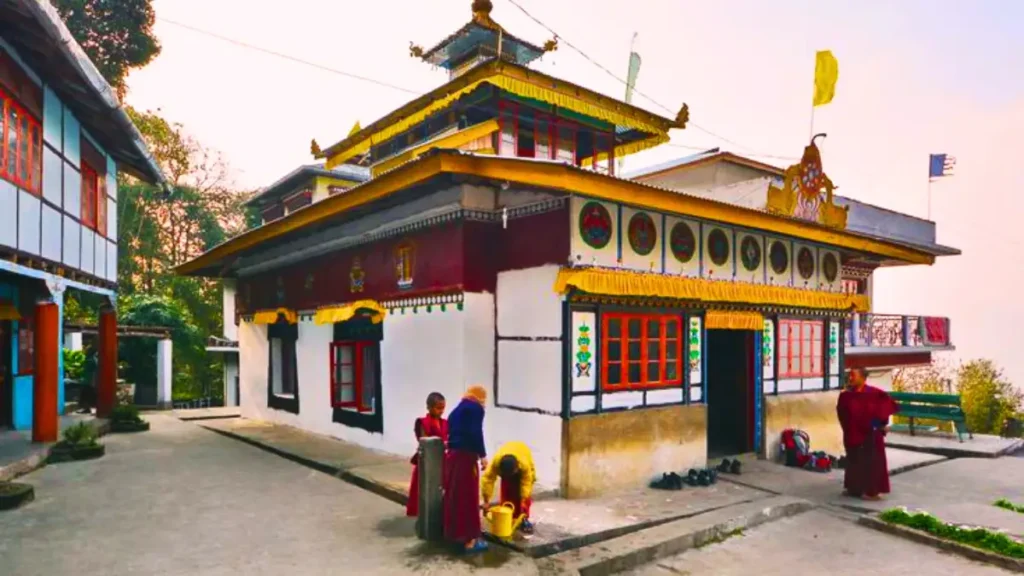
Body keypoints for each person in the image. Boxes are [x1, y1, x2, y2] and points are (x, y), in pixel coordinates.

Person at [837, 367, 900, 500]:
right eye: (850, 376)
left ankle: (873, 491)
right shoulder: (846, 395)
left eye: (853, 375)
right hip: (853, 433)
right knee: (854, 461)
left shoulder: (875, 393)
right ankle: (854, 489)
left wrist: (879, 425)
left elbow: (884, 409)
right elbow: (842, 414)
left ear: (862, 377)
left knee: (872, 462)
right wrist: (849, 428)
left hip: (870, 433)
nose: (850, 378)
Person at [443, 385, 489, 553]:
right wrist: (483, 455)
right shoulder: (475, 408)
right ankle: (470, 540)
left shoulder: (457, 410)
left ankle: (453, 534)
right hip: (466, 458)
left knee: (454, 495)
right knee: (468, 497)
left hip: (453, 457)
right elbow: (476, 432)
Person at [406, 392, 448, 517]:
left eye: (443, 408)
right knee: (422, 487)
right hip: (427, 460)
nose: (441, 411)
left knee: (440, 488)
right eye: (438, 408)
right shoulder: (422, 422)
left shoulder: (445, 423)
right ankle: (419, 512)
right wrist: (441, 444)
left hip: (442, 460)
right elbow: (425, 441)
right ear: (429, 407)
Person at [481, 441, 536, 535]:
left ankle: (524, 519)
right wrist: (486, 501)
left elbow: (526, 483)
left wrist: (523, 500)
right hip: (507, 461)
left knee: (523, 498)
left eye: (512, 474)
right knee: (507, 493)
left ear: (517, 468)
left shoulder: (524, 464)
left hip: (523, 454)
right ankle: (507, 518)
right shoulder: (496, 463)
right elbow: (487, 480)